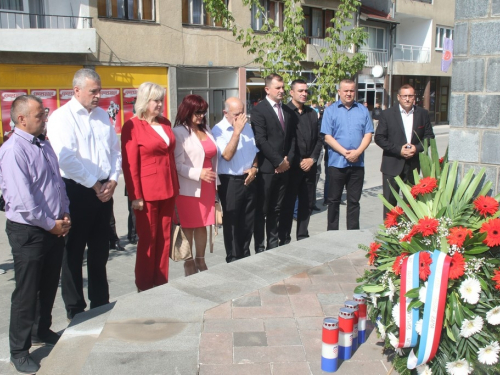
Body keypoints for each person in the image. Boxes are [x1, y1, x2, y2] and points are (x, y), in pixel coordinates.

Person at [0, 95, 71, 374]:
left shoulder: (44, 144)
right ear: (22, 119)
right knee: (27, 291)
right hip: (29, 230)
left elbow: (56, 183)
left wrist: (65, 213)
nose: (45, 118)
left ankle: (41, 329)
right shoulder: (13, 150)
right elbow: (22, 202)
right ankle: (19, 350)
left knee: (49, 282)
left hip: (54, 225)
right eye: (40, 115)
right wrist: (50, 223)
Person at [47, 68, 122, 320]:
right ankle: (75, 309)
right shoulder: (61, 117)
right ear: (76, 90)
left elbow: (114, 151)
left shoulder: (102, 116)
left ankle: (100, 302)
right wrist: (94, 184)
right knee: (74, 252)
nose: (98, 95)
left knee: (100, 250)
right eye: (94, 91)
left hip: (103, 190)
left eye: (99, 90)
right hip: (77, 191)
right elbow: (65, 158)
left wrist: (112, 179)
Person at [121, 82, 179, 291]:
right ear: (145, 101)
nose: (160, 104)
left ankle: (161, 281)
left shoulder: (165, 123)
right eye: (156, 100)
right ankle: (144, 285)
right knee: (148, 240)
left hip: (168, 188)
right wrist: (135, 195)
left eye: (162, 100)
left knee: (164, 238)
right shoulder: (133, 125)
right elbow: (130, 164)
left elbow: (170, 156)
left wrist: (175, 185)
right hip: (146, 193)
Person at [173, 95, 218, 276]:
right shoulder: (178, 132)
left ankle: (201, 259)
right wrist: (198, 173)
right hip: (189, 186)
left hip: (208, 185)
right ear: (187, 111)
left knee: (203, 224)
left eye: (203, 112)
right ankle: (189, 261)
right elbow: (176, 164)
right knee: (189, 226)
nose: (201, 116)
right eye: (197, 112)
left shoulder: (206, 129)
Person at [251, 73, 297, 252]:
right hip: (267, 169)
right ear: (267, 89)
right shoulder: (259, 110)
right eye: (278, 88)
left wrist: (287, 161)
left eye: (283, 87)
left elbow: (292, 139)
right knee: (261, 210)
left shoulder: (287, 111)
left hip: (284, 169)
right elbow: (260, 140)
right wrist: (278, 161)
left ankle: (273, 244)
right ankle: (260, 247)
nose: (282, 91)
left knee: (276, 209)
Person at [374, 84, 435, 217]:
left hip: (412, 166)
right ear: (398, 97)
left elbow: (429, 136)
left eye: (410, 96)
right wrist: (398, 150)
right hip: (392, 165)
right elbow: (379, 138)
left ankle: (409, 234)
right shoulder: (387, 114)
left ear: (414, 97)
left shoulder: (422, 114)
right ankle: (389, 233)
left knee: (411, 204)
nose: (407, 99)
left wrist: (417, 148)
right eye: (404, 96)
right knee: (390, 204)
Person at [321, 79, 373, 230]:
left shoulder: (362, 110)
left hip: (357, 163)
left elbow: (368, 134)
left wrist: (357, 152)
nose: (349, 94)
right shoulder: (330, 111)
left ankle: (353, 233)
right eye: (346, 91)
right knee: (333, 201)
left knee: (354, 201)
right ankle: (332, 233)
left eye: (351, 91)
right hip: (337, 163)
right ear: (339, 92)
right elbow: (327, 137)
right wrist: (345, 153)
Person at [212, 97, 259, 263]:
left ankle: (245, 253)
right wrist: (236, 132)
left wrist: (254, 168)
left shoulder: (248, 127)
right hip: (230, 180)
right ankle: (232, 257)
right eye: (237, 114)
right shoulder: (218, 130)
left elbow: (254, 151)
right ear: (225, 113)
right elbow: (226, 155)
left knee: (247, 220)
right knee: (232, 221)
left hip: (249, 177)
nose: (241, 118)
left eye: (243, 113)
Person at [278, 79, 322, 244]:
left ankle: (303, 236)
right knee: (287, 204)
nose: (304, 94)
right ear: (291, 92)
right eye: (300, 91)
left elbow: (319, 138)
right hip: (291, 167)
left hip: (309, 166)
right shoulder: (285, 112)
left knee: (307, 203)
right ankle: (285, 238)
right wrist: (298, 161)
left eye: (306, 91)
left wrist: (312, 159)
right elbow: (286, 142)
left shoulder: (311, 113)